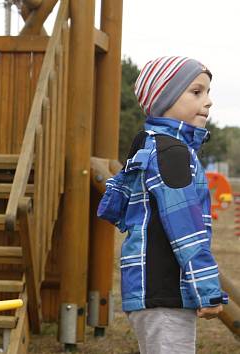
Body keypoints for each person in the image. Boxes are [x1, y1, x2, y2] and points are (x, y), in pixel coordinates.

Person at [97, 56, 228, 354]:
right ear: (163, 98)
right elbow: (185, 229)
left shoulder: (151, 146)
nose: (208, 102)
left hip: (150, 291)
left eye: (208, 92)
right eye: (196, 92)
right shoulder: (172, 153)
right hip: (166, 290)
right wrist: (206, 289)